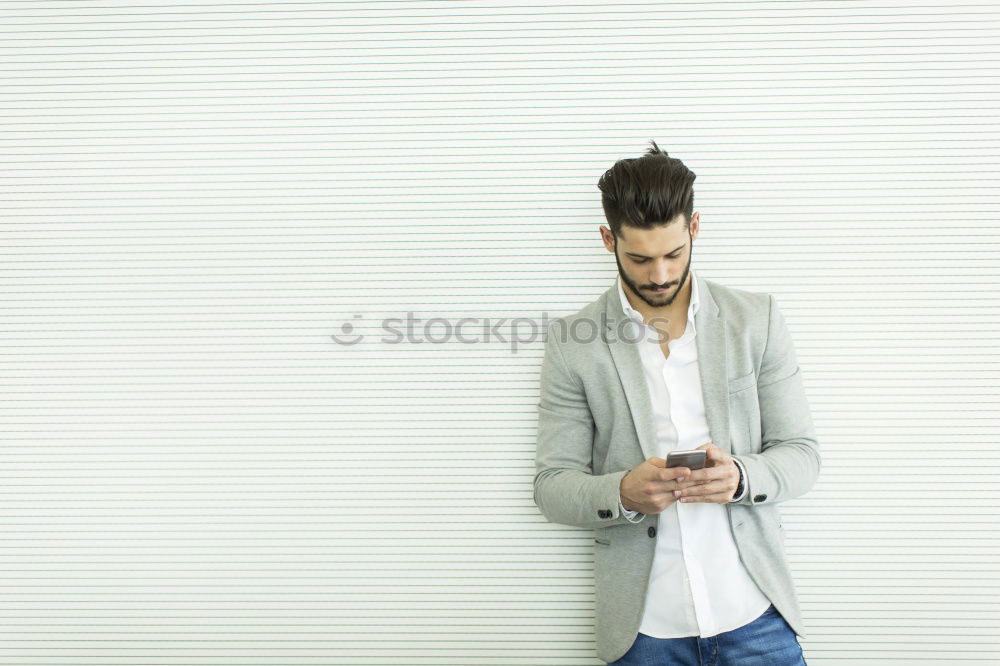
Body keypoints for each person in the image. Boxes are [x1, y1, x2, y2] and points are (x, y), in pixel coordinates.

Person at [533, 141, 820, 665]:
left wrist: (740, 476)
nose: (660, 276)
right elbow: (552, 488)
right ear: (607, 239)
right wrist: (622, 491)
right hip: (645, 635)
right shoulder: (573, 341)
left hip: (756, 618)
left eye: (673, 254)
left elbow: (801, 454)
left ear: (694, 229)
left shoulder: (755, 320)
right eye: (639, 259)